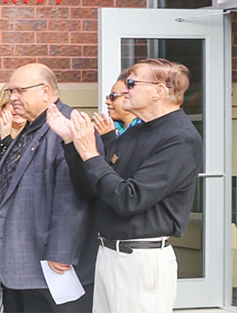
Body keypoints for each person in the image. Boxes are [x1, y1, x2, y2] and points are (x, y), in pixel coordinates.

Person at [49, 59, 202, 313]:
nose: (124, 90)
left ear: (159, 91)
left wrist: (89, 153)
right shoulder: (135, 132)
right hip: (109, 254)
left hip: (141, 261)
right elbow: (94, 189)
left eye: (132, 83)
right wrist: (70, 142)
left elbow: (128, 199)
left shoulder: (180, 138)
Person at [0, 63, 95, 312]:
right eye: (11, 91)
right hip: (23, 260)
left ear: (46, 91)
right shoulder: (31, 127)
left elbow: (73, 195)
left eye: (19, 91)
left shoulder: (67, 127)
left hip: (52, 265)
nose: (12, 98)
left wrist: (62, 251)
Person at [91, 76, 142, 146]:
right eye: (108, 97)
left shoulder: (144, 132)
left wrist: (108, 138)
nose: (107, 101)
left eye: (113, 96)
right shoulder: (111, 129)